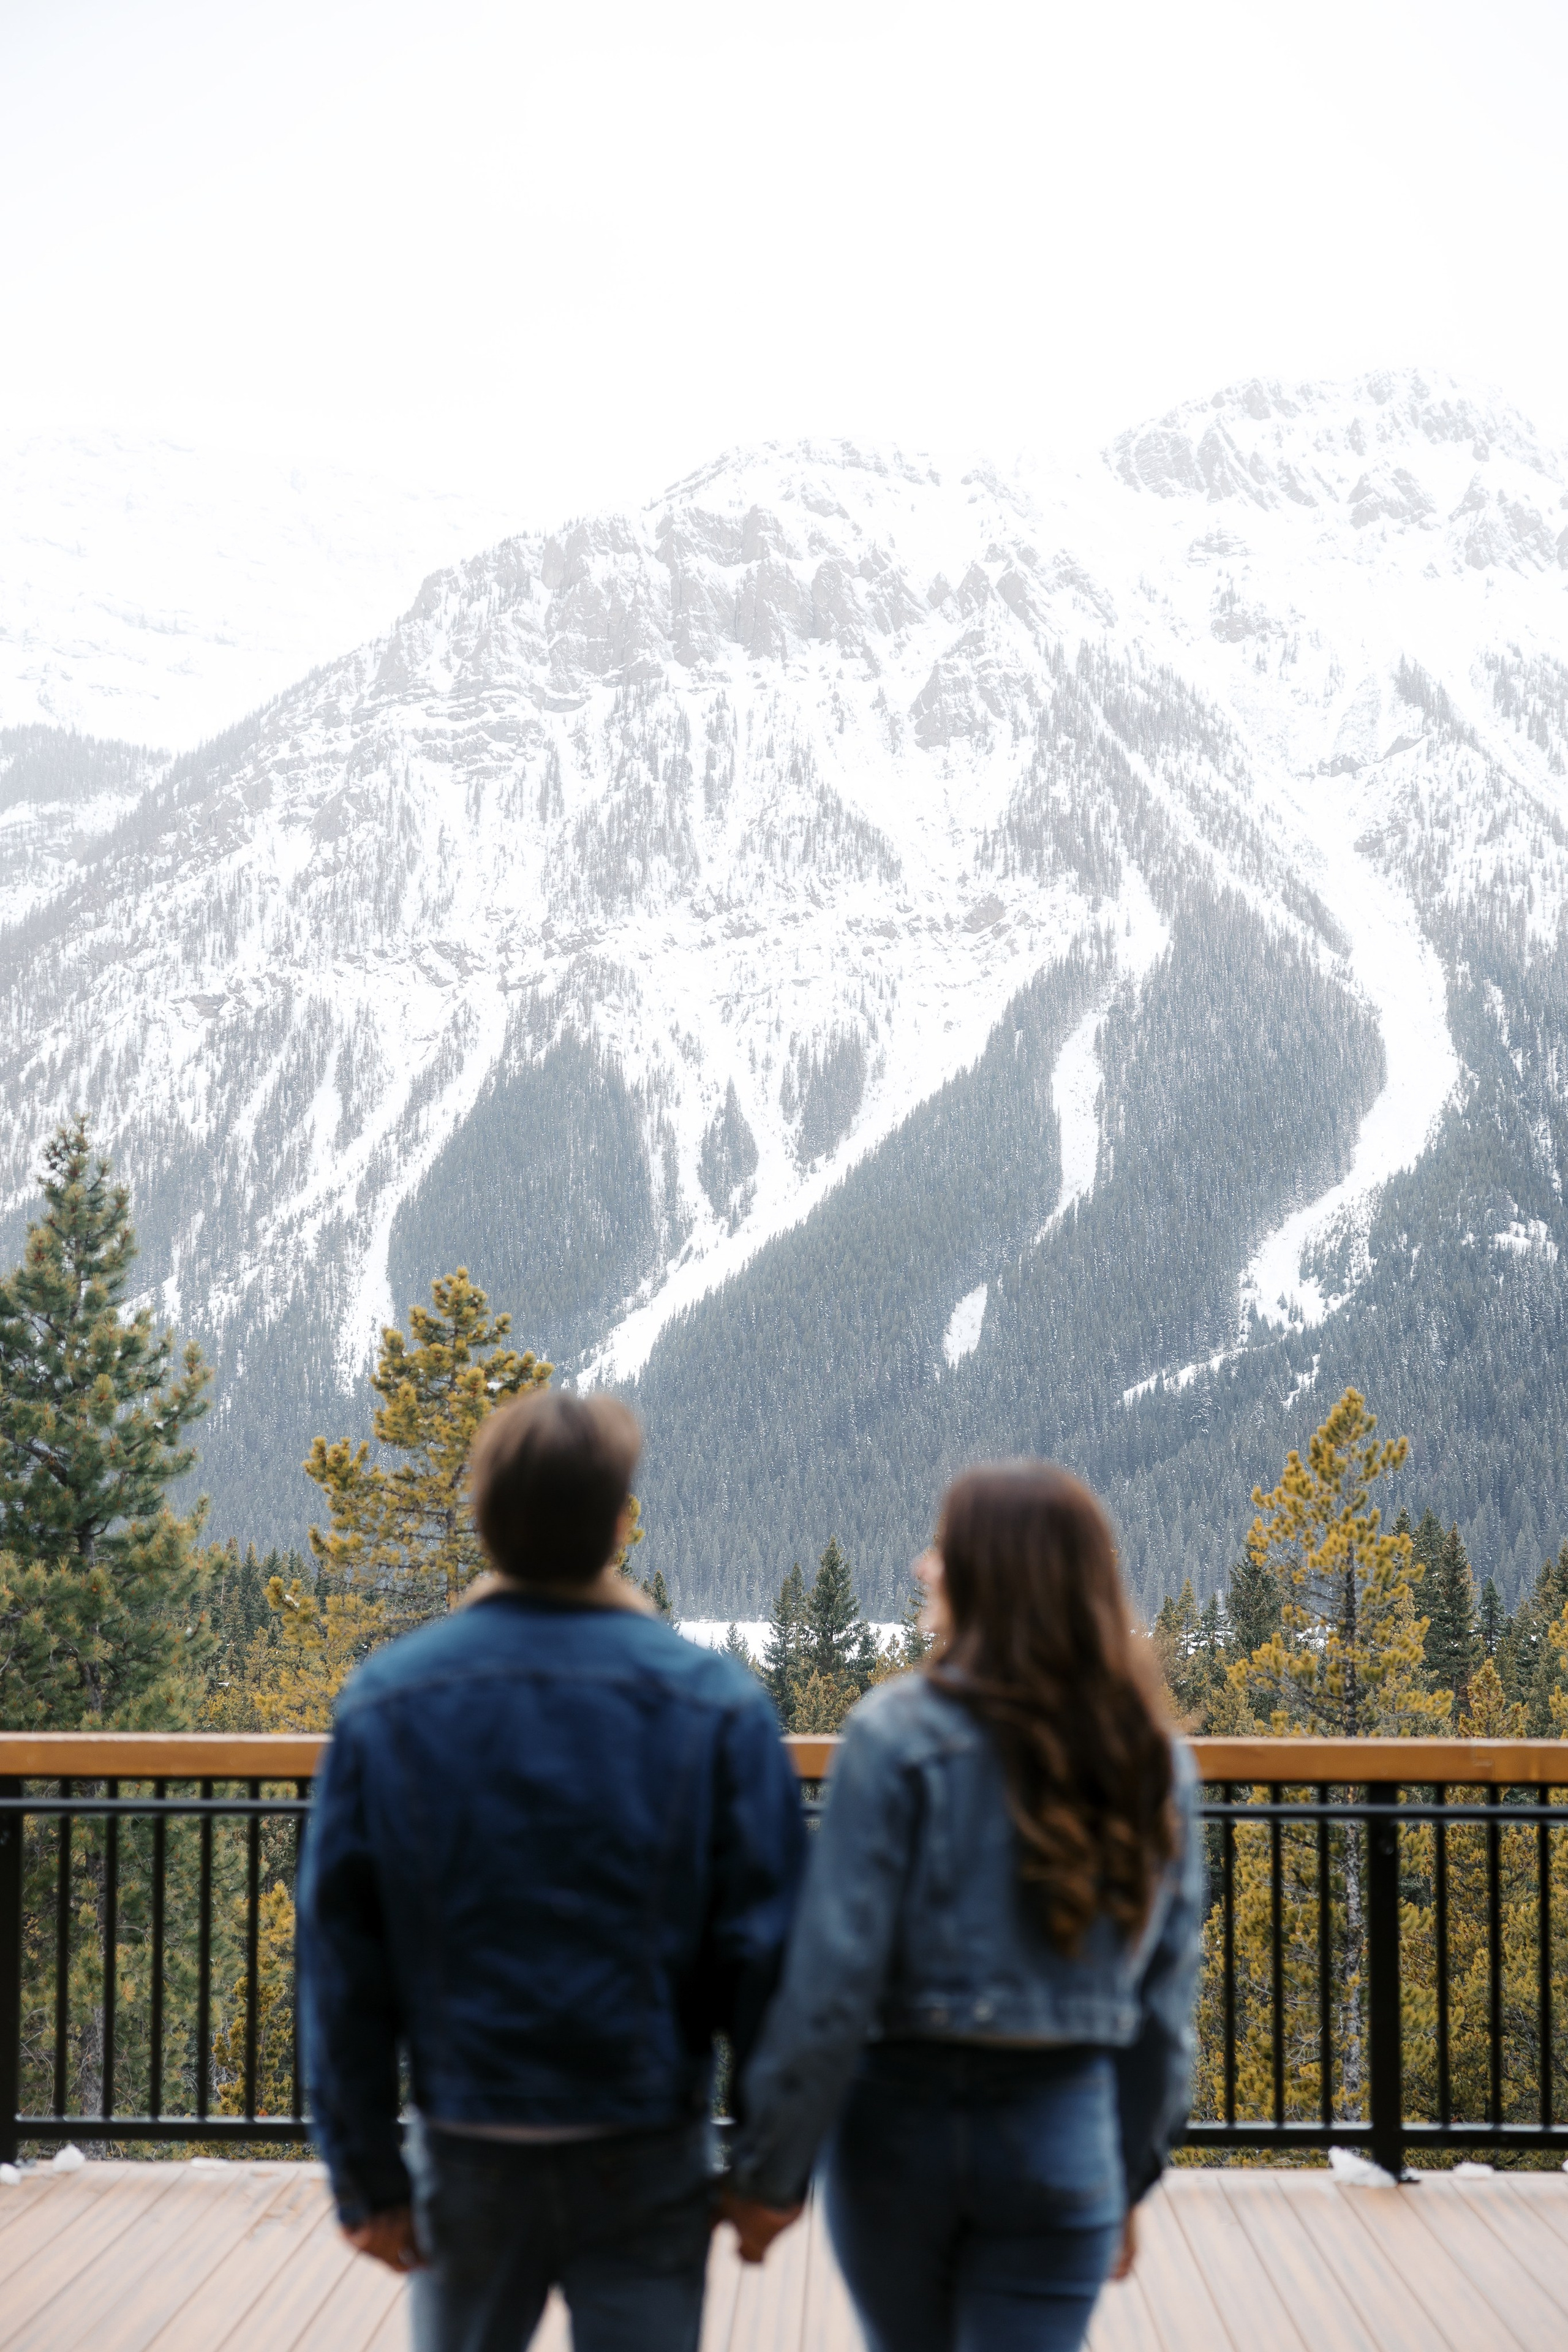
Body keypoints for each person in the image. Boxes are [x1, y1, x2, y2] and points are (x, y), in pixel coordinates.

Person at [298, 1390, 807, 2352]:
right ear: (619, 1524)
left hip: (468, 2143)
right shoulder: (717, 1708)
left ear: (485, 1519)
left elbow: (341, 1962)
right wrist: (768, 2172)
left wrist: (365, 2178)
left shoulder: (387, 1702)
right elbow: (770, 1959)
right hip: (648, 2146)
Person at [720, 1461, 1204, 2352]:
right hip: (1061, 2136)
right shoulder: (1148, 1761)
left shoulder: (894, 1737)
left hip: (897, 2140)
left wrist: (771, 2175)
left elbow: (832, 1983)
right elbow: (1162, 2017)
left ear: (987, 1572)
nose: (921, 1566)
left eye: (941, 1548)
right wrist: (1126, 2177)